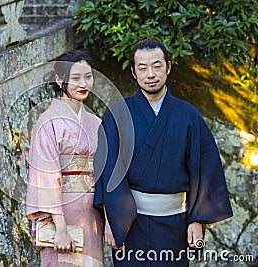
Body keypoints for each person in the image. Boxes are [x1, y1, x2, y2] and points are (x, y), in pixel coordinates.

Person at [93, 39, 233, 266]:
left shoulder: (188, 116)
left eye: (157, 66)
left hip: (175, 225)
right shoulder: (119, 114)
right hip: (130, 224)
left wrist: (197, 220)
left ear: (168, 67)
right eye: (143, 67)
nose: (151, 74)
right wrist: (111, 220)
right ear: (133, 72)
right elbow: (107, 169)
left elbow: (205, 170)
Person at [26, 50, 107, 266]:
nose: (83, 83)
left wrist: (110, 219)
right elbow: (44, 176)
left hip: (91, 213)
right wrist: (60, 227)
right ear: (60, 79)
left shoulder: (96, 122)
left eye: (88, 77)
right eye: (76, 78)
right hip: (61, 211)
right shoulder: (48, 122)